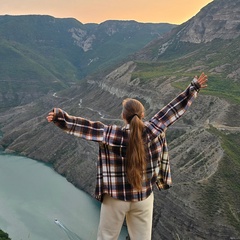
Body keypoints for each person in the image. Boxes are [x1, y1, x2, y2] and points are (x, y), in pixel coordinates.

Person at [47, 73, 208, 240]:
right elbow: (173, 110)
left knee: (106, 237)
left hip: (115, 198)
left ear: (123, 116)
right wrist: (193, 88)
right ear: (143, 115)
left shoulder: (112, 135)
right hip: (143, 197)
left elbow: (85, 128)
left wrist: (60, 117)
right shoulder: (154, 130)